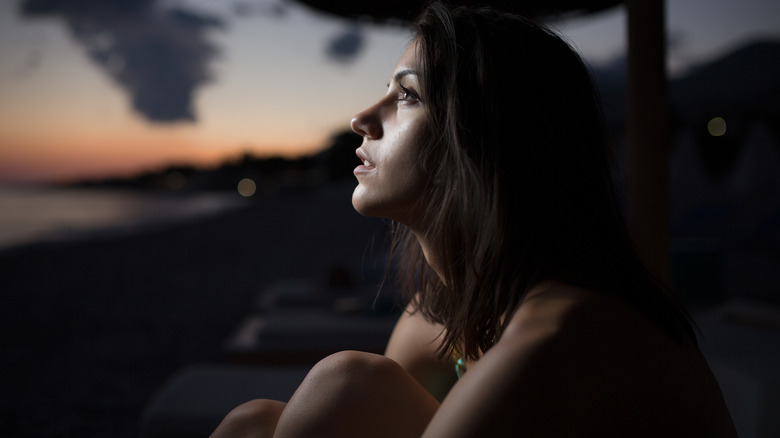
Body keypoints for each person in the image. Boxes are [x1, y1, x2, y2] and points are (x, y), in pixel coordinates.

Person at [210, 2, 738, 437]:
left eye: (408, 96)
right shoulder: (446, 314)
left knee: (347, 383)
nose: (362, 118)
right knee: (253, 423)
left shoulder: (561, 334)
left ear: (486, 142)